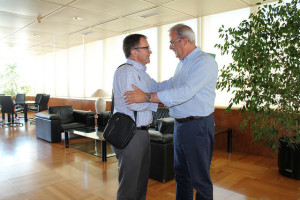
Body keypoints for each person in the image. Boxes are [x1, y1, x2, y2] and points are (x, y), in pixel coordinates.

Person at [124, 24, 218, 200]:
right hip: (181, 126)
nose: (170, 47)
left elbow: (184, 92)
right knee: (182, 176)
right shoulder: (182, 65)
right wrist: (149, 88)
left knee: (200, 180)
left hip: (197, 126)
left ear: (184, 41)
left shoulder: (204, 62)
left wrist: (146, 97)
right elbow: (172, 84)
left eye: (172, 42)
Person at [112, 34, 167, 200]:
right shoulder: (127, 72)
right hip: (131, 134)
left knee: (141, 182)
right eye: (146, 48)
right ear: (134, 51)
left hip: (141, 133)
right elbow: (133, 103)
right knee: (129, 186)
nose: (150, 51)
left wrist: (177, 81)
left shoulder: (141, 74)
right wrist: (155, 102)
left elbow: (157, 87)